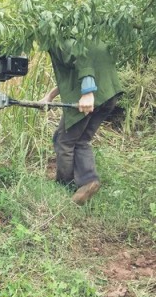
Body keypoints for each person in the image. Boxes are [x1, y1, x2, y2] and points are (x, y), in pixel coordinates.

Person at [41, 39, 123, 205]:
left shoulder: (59, 38)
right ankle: (88, 181)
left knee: (64, 140)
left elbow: (81, 57)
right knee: (81, 140)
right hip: (109, 93)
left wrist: (87, 92)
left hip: (91, 95)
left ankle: (65, 186)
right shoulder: (83, 33)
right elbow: (73, 72)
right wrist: (50, 96)